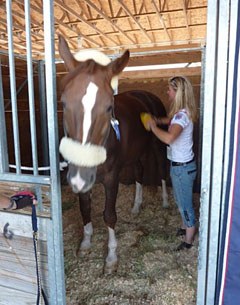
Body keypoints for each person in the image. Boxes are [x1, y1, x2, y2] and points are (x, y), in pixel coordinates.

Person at [146, 76, 198, 251]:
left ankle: (188, 240)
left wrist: (153, 127)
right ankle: (185, 227)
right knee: (180, 199)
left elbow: (169, 138)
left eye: (169, 89)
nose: (167, 92)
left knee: (185, 205)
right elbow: (171, 121)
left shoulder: (181, 117)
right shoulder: (182, 112)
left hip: (182, 169)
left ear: (177, 92)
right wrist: (158, 120)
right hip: (182, 166)